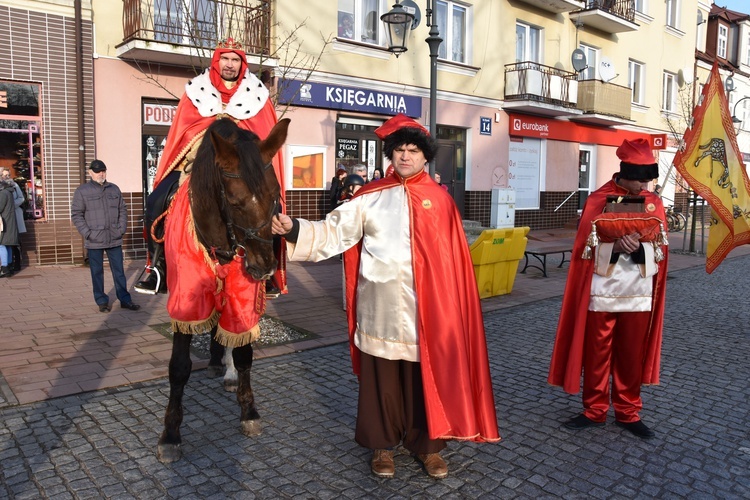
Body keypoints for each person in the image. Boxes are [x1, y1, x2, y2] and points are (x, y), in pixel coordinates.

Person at [272, 114, 500, 479]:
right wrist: (295, 227)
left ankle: (428, 447)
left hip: (428, 312)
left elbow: (453, 261)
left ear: (425, 157)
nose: (405, 157)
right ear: (390, 155)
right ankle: (382, 446)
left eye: (412, 150)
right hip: (379, 308)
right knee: (382, 383)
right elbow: (335, 231)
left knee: (423, 378)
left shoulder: (441, 202)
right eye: (399, 150)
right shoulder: (370, 197)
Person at [134, 37, 287, 299]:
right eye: (225, 58)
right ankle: (157, 266)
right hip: (199, 156)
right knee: (158, 199)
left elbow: (261, 135)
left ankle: (267, 267)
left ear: (242, 63)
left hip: (241, 161)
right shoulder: (197, 90)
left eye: (235, 59)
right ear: (217, 61)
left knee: (272, 207)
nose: (230, 64)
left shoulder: (258, 94)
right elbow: (184, 129)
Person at [548, 138, 669, 439]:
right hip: (601, 291)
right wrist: (616, 245)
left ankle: (628, 411)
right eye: (638, 179)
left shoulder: (654, 203)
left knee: (630, 354)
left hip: (639, 292)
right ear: (624, 172)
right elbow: (583, 252)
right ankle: (595, 409)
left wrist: (639, 246)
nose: (643, 186)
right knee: (597, 352)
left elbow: (662, 252)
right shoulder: (598, 200)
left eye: (647, 180)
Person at [71, 160, 140, 312]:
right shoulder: (82, 191)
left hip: (114, 237)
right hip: (94, 239)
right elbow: (76, 214)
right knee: (97, 272)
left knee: (119, 271)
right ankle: (102, 301)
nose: (101, 174)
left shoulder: (114, 189)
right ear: (90, 173)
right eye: (97, 171)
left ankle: (125, 299)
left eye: (103, 170)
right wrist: (87, 233)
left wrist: (121, 228)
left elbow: (123, 210)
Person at [1, 168, 26, 271]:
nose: (6, 177)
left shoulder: (14, 185)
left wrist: (12, 205)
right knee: (7, 241)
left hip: (15, 213)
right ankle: (10, 264)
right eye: (4, 175)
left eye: (8, 175)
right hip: (5, 215)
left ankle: (16, 264)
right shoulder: (2, 187)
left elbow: (21, 198)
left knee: (15, 241)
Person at [0, 178, 19, 278]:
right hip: (9, 222)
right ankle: (10, 266)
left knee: (2, 244)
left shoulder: (3, 193)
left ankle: (4, 268)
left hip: (4, 222)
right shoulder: (9, 192)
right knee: (7, 245)